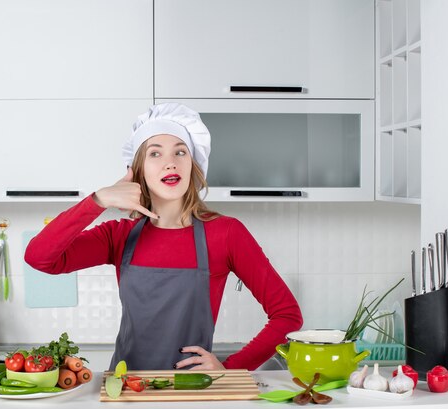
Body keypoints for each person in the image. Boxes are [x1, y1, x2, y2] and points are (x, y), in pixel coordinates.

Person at [25, 103, 303, 371]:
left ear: (193, 165)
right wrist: (98, 200)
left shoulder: (226, 233)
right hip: (126, 390)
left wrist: (231, 368)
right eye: (155, 154)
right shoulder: (118, 235)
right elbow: (39, 258)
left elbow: (287, 315)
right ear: (138, 170)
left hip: (193, 391)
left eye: (180, 152)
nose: (170, 163)